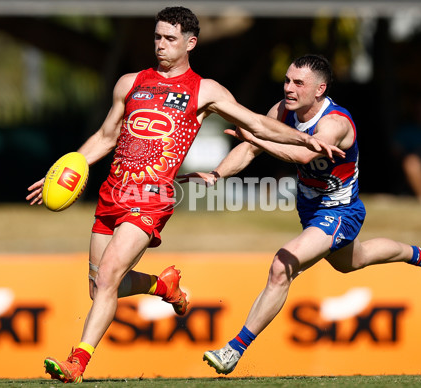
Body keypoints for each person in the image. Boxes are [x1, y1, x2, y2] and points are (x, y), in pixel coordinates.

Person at [26, 8, 343, 383]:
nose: (160, 45)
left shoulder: (204, 90)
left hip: (152, 197)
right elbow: (107, 136)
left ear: (190, 43)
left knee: (110, 274)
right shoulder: (129, 83)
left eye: (170, 39)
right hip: (112, 192)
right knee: (99, 288)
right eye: (157, 37)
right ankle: (164, 286)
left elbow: (256, 123)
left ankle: (76, 362)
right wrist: (65, 169)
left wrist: (303, 137)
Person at [179, 55, 421, 375]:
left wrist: (258, 138)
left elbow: (303, 153)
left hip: (339, 211)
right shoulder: (282, 111)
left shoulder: (335, 123)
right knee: (355, 260)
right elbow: (250, 148)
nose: (288, 88)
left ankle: (233, 349)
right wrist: (216, 174)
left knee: (282, 266)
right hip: (310, 209)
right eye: (287, 80)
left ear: (320, 89)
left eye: (298, 83)